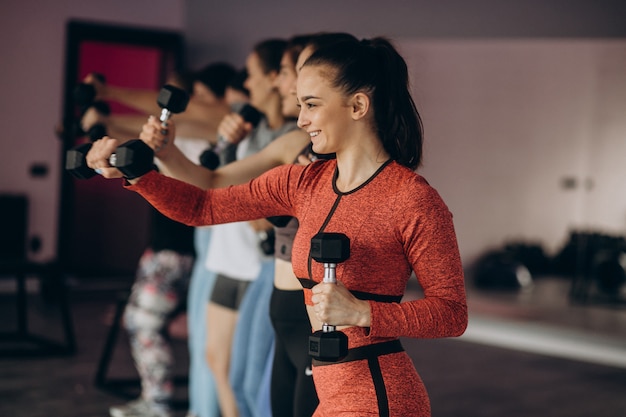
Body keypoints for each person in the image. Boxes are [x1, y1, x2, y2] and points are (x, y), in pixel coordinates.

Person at [93, 35, 469, 416]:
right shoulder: (302, 182)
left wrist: (363, 313)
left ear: (357, 105)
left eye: (311, 105)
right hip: (332, 392)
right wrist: (137, 174)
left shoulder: (412, 198)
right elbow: (202, 206)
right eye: (300, 104)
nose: (302, 118)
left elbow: (452, 313)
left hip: (378, 397)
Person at [91, 64, 237, 417]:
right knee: (140, 322)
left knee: (144, 322)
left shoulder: (207, 127)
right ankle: (158, 400)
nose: (156, 106)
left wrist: (106, 94)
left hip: (183, 249)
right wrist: (97, 126)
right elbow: (130, 134)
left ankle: (158, 403)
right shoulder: (173, 134)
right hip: (167, 247)